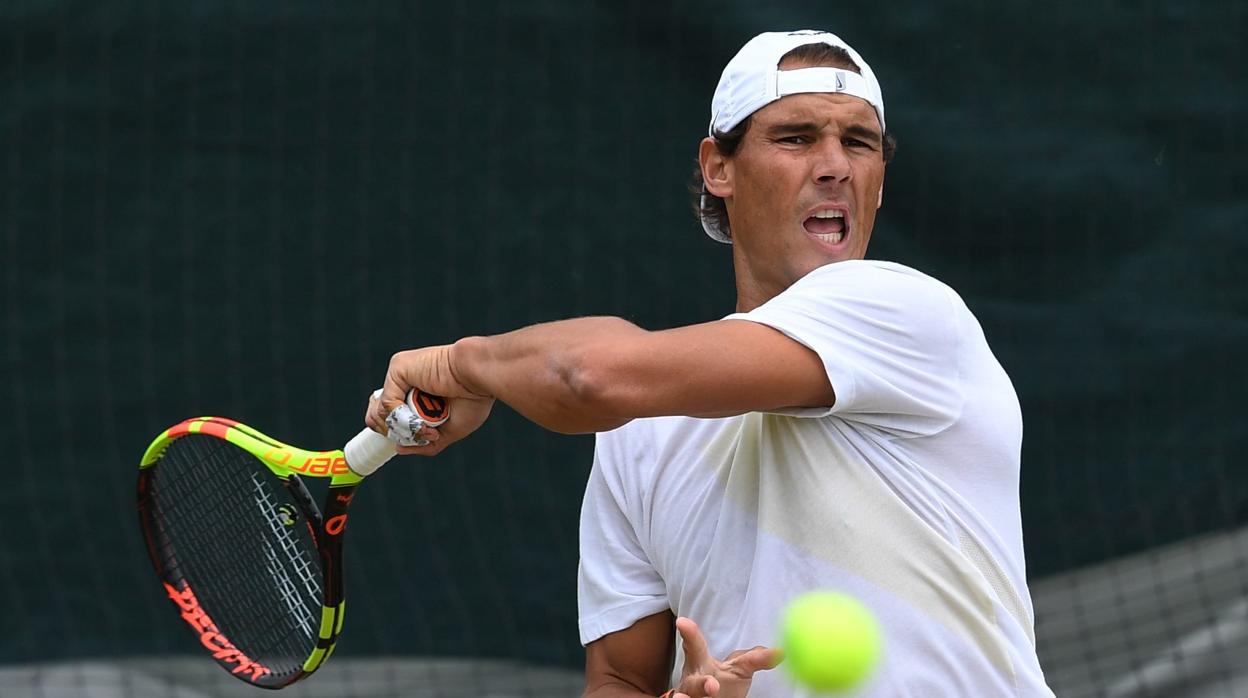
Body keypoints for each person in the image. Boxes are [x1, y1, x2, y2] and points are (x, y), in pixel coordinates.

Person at [367, 30, 1053, 697]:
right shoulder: (639, 431)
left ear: (878, 183)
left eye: (859, 143)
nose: (835, 164)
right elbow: (619, 681)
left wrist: (460, 367)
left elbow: (589, 376)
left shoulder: (907, 312)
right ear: (717, 168)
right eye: (796, 137)